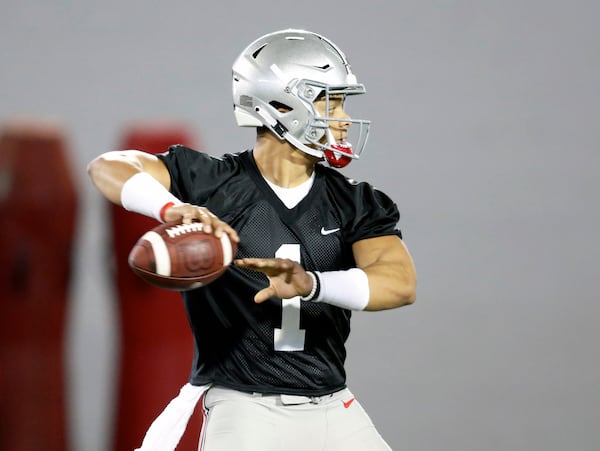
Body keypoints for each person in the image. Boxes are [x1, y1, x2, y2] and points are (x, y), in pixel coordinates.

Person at [88, 29, 417, 451]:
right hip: (246, 406)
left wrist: (312, 284)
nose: (343, 118)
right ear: (280, 105)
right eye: (329, 101)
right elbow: (107, 167)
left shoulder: (355, 200)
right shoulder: (213, 183)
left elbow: (400, 284)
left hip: (334, 404)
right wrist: (169, 209)